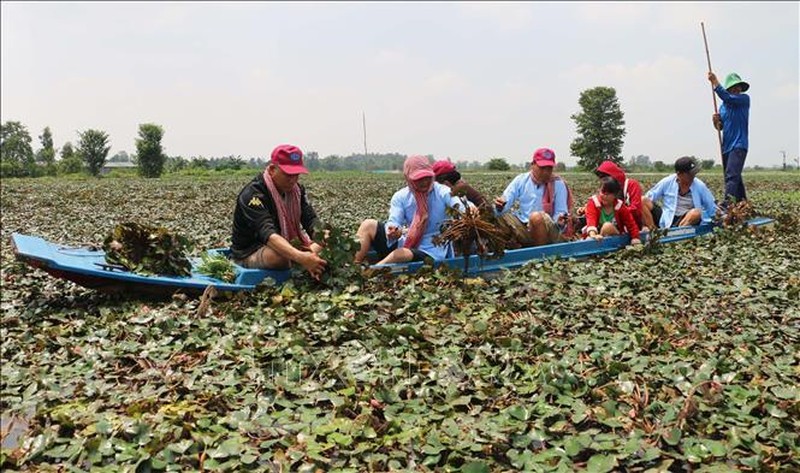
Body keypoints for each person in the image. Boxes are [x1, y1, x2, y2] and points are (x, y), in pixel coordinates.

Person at [230, 144, 327, 280]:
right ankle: (302, 259)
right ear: (272, 169)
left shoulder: (297, 191)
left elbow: (310, 219)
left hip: (285, 244)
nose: (293, 180)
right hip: (252, 252)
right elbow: (268, 234)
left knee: (327, 242)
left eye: (296, 175)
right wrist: (300, 257)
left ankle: (304, 258)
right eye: (288, 175)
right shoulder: (253, 195)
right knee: (281, 257)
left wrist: (322, 235)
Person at [355, 155, 473, 265]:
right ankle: (354, 265)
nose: (424, 182)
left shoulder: (442, 192)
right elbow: (394, 220)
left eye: (427, 177)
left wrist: (471, 210)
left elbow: (460, 204)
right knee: (368, 225)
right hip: (408, 242)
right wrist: (392, 231)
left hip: (432, 249)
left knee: (399, 255)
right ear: (408, 178)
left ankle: (370, 273)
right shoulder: (401, 197)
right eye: (419, 179)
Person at [493, 147, 574, 247]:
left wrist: (560, 220)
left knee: (536, 218)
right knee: (497, 216)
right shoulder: (521, 180)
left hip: (550, 230)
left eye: (549, 168)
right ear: (533, 165)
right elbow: (506, 200)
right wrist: (500, 206)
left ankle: (539, 252)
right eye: (542, 168)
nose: (545, 172)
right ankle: (512, 244)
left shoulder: (558, 184)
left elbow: (560, 211)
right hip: (525, 226)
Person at [708, 71, 750, 206]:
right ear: (729, 88)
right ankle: (743, 203)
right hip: (726, 147)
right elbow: (721, 127)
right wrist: (716, 122)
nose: (737, 89)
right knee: (735, 177)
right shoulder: (723, 107)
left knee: (731, 176)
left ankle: (727, 205)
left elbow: (726, 97)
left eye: (739, 87)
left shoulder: (744, 99)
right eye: (734, 87)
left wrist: (715, 82)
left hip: (739, 145)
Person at [642, 157, 717, 228]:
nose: (693, 176)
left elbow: (711, 207)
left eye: (694, 173)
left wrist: (718, 219)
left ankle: (678, 233)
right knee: (642, 200)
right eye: (689, 174)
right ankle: (653, 232)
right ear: (679, 174)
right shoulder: (667, 182)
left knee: (696, 213)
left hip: (686, 218)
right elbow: (649, 197)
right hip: (667, 217)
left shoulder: (699, 185)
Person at [583, 176, 641, 245]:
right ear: (599, 190)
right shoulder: (593, 202)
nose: (605, 196)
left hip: (615, 234)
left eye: (609, 194)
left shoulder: (620, 206)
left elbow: (630, 223)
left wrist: (635, 237)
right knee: (591, 237)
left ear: (615, 195)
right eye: (603, 192)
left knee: (607, 226)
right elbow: (591, 219)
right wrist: (593, 234)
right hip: (596, 234)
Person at [594, 159, 645, 230]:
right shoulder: (605, 187)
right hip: (611, 222)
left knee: (607, 228)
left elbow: (635, 209)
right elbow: (599, 202)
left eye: (604, 176)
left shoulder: (631, 184)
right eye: (601, 177)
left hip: (629, 225)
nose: (603, 179)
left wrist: (616, 212)